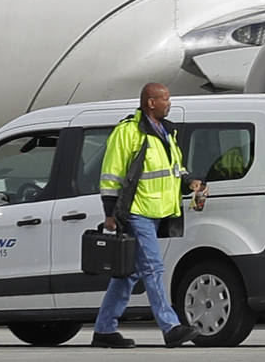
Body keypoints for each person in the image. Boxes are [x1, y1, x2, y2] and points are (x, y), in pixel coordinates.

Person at [92, 83, 202, 349]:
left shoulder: (166, 131)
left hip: (159, 212)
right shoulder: (128, 131)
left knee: (127, 275)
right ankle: (171, 327)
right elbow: (111, 175)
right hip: (137, 212)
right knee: (153, 268)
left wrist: (189, 181)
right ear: (150, 103)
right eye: (165, 99)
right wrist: (110, 213)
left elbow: (174, 168)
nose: (169, 103)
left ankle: (104, 330)